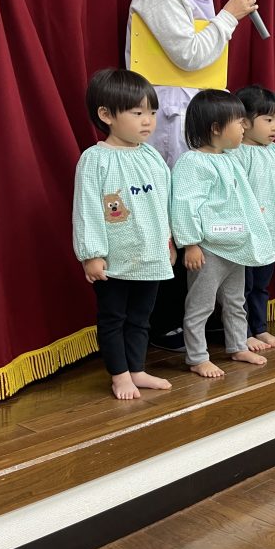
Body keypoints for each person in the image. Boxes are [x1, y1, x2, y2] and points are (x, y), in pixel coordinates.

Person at [128, 0, 259, 351]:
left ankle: (201, 317)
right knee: (172, 208)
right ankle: (165, 322)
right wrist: (229, 16)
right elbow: (188, 54)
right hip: (168, 114)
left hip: (200, 112)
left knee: (202, 204)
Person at [72, 69, 175, 400]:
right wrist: (92, 254)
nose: (148, 121)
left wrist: (169, 241)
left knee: (141, 318)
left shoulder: (151, 156)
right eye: (137, 112)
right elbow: (87, 209)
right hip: (115, 259)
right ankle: (119, 375)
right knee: (114, 318)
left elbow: (165, 202)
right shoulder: (95, 159)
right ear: (106, 115)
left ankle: (137, 368)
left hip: (152, 255)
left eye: (152, 112)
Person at [171, 91, 275, 377]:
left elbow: (239, 198)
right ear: (216, 128)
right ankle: (197, 357)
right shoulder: (192, 163)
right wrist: (191, 244)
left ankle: (238, 345)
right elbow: (184, 204)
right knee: (200, 305)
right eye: (239, 122)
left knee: (235, 301)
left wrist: (253, 217)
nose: (244, 127)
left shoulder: (230, 159)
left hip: (236, 246)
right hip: (210, 249)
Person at [234, 85, 275, 350]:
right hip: (245, 235)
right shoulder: (235, 153)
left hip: (271, 231)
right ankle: (243, 332)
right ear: (244, 121)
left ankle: (260, 328)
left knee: (261, 284)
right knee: (242, 286)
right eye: (268, 120)